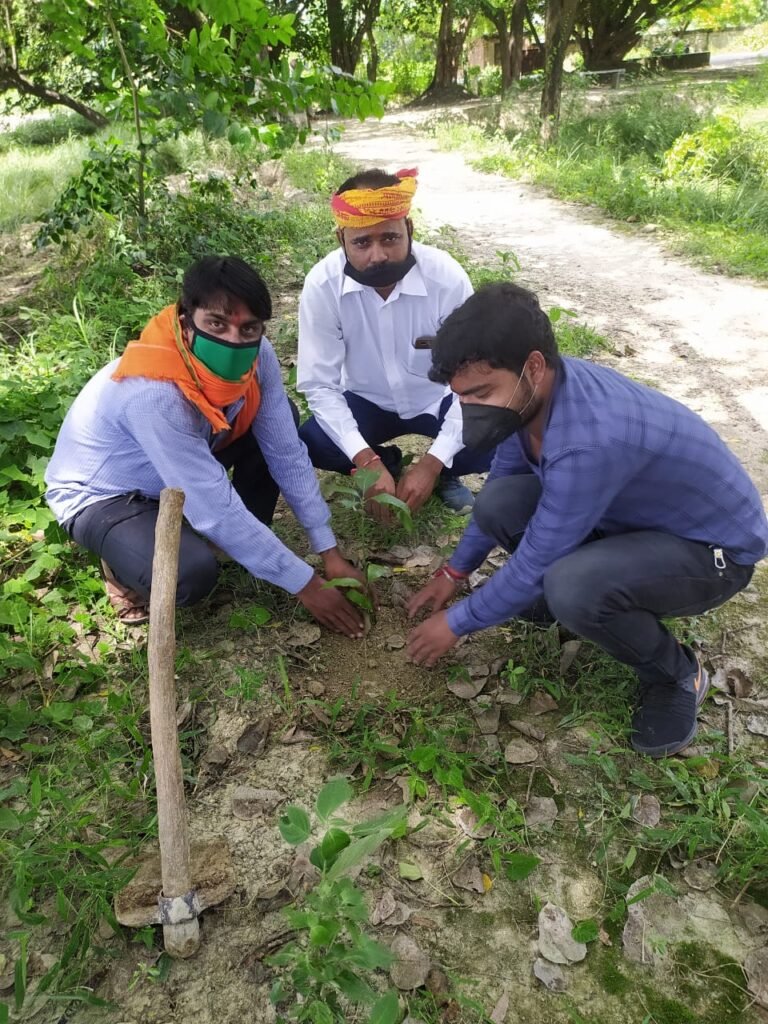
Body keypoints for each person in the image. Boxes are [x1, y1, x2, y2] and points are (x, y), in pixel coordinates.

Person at [406, 282, 768, 758]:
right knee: (498, 503)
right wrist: (454, 572)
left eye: (482, 392)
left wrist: (458, 622)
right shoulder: (531, 396)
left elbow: (540, 557)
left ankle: (677, 674)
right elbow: (503, 483)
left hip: (712, 553)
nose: (471, 409)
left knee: (572, 585)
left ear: (534, 366)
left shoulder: (589, 439)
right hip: (632, 520)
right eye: (461, 397)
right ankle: (566, 600)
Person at [45, 256, 366, 637]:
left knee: (278, 420)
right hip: (107, 496)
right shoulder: (154, 394)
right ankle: (121, 566)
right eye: (216, 324)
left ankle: (240, 542)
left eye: (248, 328)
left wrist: (328, 550)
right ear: (186, 321)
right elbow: (214, 507)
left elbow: (285, 451)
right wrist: (307, 586)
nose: (233, 341)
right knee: (190, 575)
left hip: (179, 463)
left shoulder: (258, 356)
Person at [297, 167, 493, 520]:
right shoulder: (322, 286)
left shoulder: (446, 279)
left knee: (496, 437)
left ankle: (444, 472)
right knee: (315, 442)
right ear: (341, 239)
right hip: (366, 399)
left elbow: (476, 379)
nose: (378, 256)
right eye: (362, 243)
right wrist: (366, 460)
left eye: (389, 238)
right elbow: (319, 385)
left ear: (410, 230)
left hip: (436, 398)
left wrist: (432, 463)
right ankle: (387, 464)